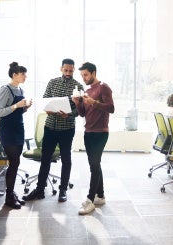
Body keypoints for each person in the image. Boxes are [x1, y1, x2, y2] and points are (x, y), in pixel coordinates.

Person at [23, 58, 83, 203]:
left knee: (66, 160)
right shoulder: (52, 82)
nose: (68, 73)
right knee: (45, 158)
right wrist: (48, 109)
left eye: (71, 70)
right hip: (50, 127)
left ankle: (63, 190)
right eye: (66, 70)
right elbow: (45, 100)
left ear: (73, 70)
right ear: (61, 69)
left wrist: (69, 114)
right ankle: (40, 189)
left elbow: (81, 110)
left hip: (67, 129)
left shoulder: (78, 86)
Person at [72, 62, 114, 215]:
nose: (83, 78)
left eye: (86, 75)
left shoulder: (103, 87)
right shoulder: (87, 90)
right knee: (94, 164)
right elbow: (83, 113)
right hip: (88, 131)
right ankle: (100, 195)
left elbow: (111, 108)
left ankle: (90, 200)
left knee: (94, 165)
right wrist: (78, 104)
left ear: (94, 73)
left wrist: (94, 102)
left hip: (100, 132)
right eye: (82, 75)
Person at [0, 61, 33, 209]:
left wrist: (25, 107)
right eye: (23, 74)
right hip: (8, 130)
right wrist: (17, 105)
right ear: (14, 75)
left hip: (19, 128)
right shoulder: (5, 89)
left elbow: (18, 111)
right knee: (14, 162)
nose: (25, 76)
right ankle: (9, 197)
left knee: (15, 162)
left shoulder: (20, 90)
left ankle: (11, 194)